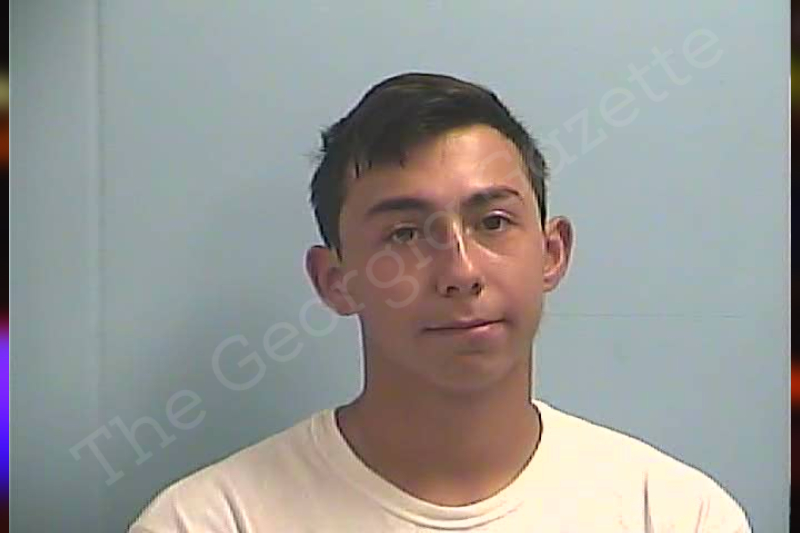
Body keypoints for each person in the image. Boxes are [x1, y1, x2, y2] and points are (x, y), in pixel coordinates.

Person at [129, 72, 751, 532]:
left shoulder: (675, 514)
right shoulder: (210, 521)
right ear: (335, 281)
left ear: (552, 253)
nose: (460, 271)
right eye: (404, 234)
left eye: (494, 222)